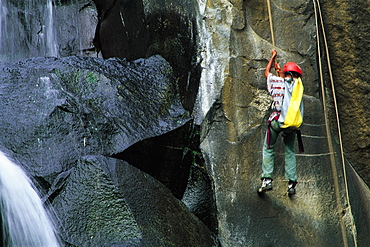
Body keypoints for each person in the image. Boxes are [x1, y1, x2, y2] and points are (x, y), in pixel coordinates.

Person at [258, 49, 303, 195]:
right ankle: (291, 184)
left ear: (286, 73)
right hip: (291, 124)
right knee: (290, 151)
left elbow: (266, 73)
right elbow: (287, 86)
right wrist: (281, 73)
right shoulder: (298, 87)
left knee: (268, 147)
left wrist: (272, 58)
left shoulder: (277, 82)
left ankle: (267, 180)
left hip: (277, 121)